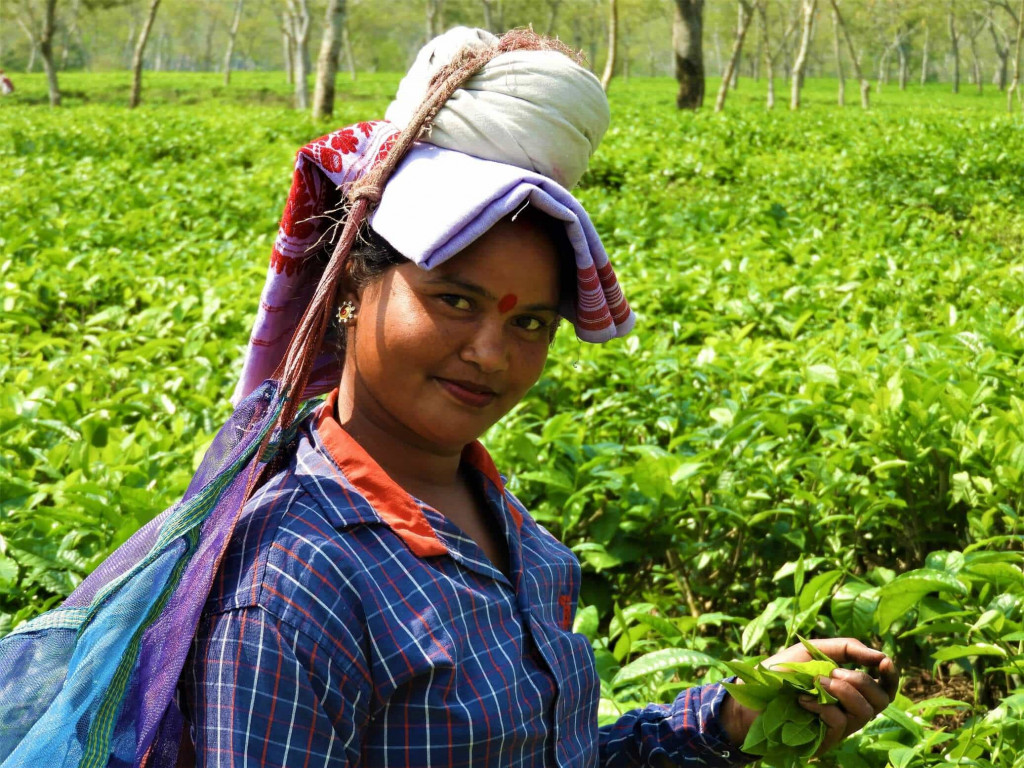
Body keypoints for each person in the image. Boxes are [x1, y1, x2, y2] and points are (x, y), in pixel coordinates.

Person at [177, 28, 898, 767]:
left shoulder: (500, 521)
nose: (492, 353)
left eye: (529, 321)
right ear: (352, 291)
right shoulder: (294, 586)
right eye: (454, 300)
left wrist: (727, 721)